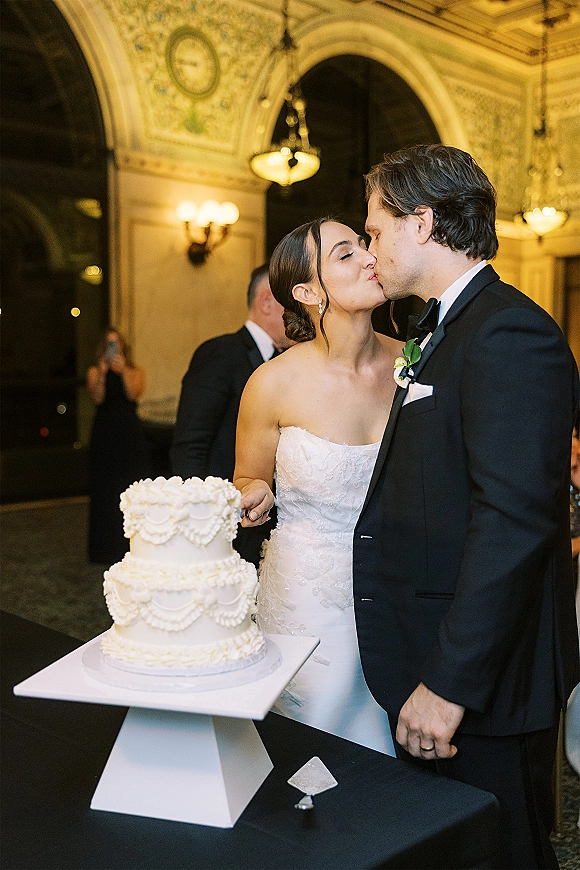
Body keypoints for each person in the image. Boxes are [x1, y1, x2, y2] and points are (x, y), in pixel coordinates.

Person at [355, 143, 579, 868]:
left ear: (422, 224)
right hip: (436, 650)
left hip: (483, 678)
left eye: (376, 228)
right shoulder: (443, 327)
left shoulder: (509, 332)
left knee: (502, 851)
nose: (370, 247)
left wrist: (450, 684)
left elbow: (514, 523)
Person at [234, 218, 400, 755]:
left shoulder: (412, 365)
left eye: (365, 244)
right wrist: (254, 495)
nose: (370, 258)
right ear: (307, 292)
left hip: (400, 584)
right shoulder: (273, 383)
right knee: (318, 745)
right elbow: (247, 478)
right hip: (310, 596)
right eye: (345, 254)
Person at [170, 264, 291, 566]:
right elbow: (190, 446)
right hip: (226, 525)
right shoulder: (222, 353)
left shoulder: (289, 365)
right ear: (267, 302)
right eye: (294, 302)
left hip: (271, 524)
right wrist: (206, 523)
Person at [87, 327, 150, 564]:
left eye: (117, 344)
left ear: (123, 347)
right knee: (104, 488)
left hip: (128, 433)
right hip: (104, 432)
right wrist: (103, 373)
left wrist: (122, 370)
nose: (113, 348)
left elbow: (134, 394)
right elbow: (97, 398)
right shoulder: (94, 371)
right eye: (108, 344)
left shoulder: (135, 371)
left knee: (131, 484)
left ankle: (133, 546)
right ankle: (104, 550)